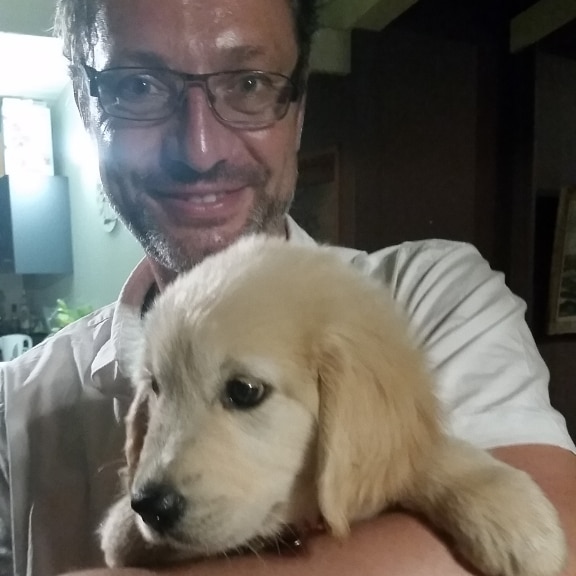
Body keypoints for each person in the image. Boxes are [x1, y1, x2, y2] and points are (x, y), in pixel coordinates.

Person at [0, 0, 575, 575]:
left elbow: (558, 542)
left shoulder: (432, 295)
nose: (200, 150)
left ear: (298, 109)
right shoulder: (16, 401)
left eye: (249, 82)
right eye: (140, 86)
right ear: (84, 105)